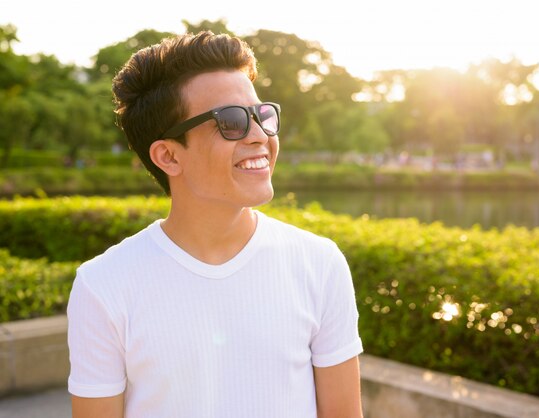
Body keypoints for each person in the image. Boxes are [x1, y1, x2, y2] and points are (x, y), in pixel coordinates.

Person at [66, 31, 364, 418]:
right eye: (231, 121)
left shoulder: (320, 264)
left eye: (262, 115)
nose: (260, 136)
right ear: (169, 156)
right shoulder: (103, 286)